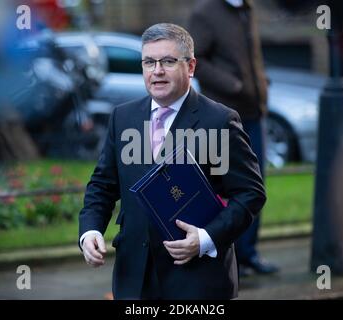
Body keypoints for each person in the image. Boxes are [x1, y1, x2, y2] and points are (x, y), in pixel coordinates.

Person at [79, 23, 266, 299]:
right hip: (135, 277)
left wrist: (205, 239)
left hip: (197, 279)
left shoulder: (220, 121)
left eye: (167, 61)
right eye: (149, 62)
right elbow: (103, 185)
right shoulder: (123, 117)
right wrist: (91, 230)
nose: (157, 71)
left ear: (190, 67)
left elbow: (250, 194)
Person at [188, 0, 279, 275]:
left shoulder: (247, 9)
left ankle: (248, 253)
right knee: (224, 188)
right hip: (224, 117)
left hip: (254, 112)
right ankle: (228, 258)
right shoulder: (205, 12)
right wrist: (233, 85)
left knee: (254, 185)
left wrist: (260, 84)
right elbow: (196, 60)